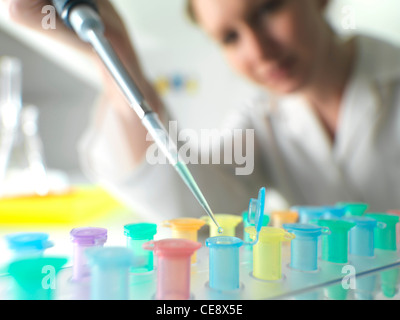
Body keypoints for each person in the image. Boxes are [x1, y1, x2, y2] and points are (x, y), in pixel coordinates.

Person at [4, 0, 400, 222]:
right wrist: (118, 57)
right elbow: (205, 212)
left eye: (267, 10)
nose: (259, 51)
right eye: (230, 37)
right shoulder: (263, 119)